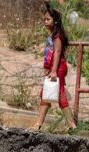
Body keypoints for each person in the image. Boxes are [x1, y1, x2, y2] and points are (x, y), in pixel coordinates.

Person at [32, 2, 77, 131]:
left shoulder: (57, 35)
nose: (45, 22)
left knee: (56, 94)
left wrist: (53, 71)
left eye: (48, 19)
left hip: (58, 68)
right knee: (46, 94)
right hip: (56, 68)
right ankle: (39, 124)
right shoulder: (53, 33)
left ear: (55, 20)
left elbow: (57, 52)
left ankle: (71, 125)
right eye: (44, 19)